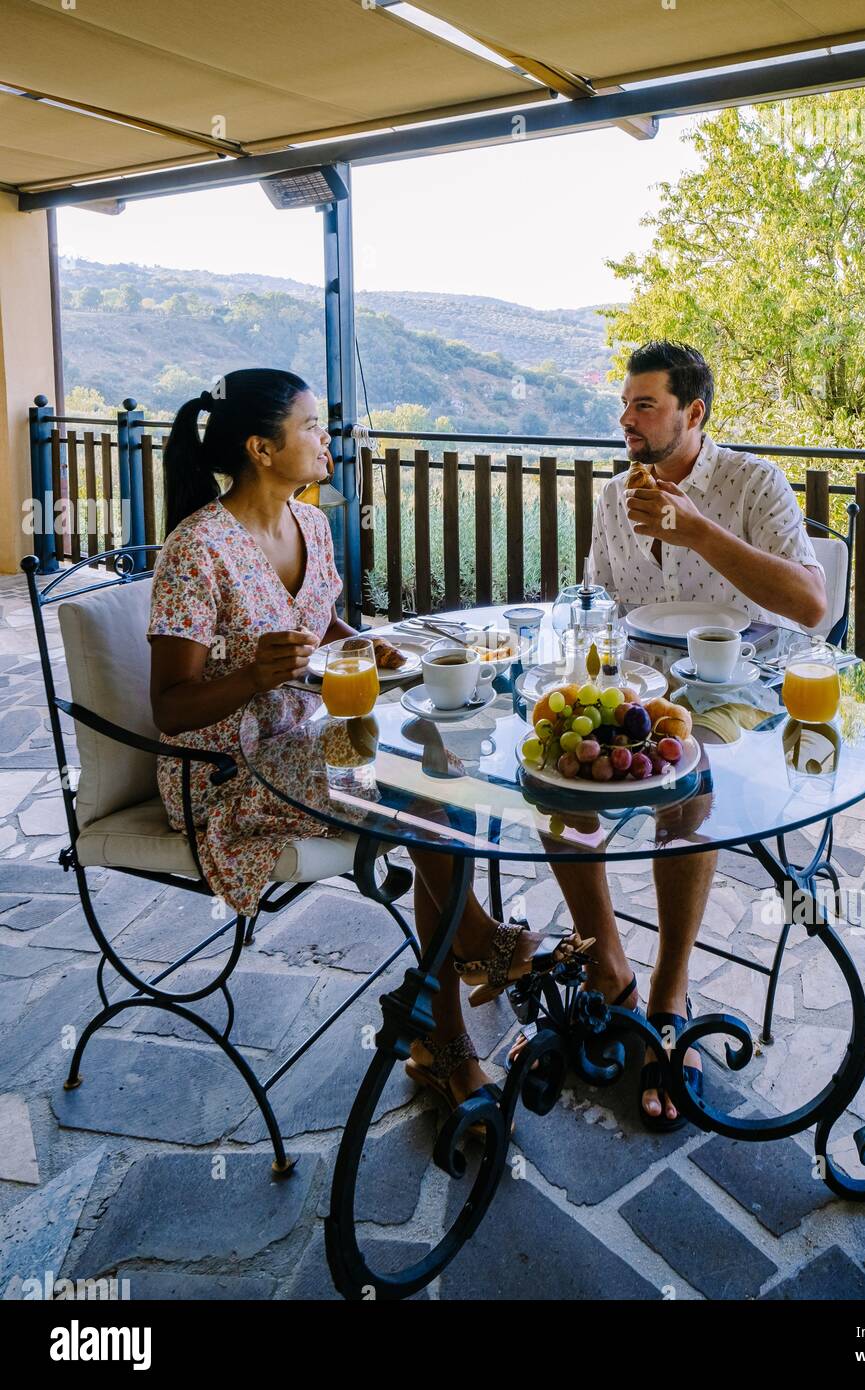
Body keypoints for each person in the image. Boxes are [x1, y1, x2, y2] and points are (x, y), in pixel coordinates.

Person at [147, 368, 581, 1122]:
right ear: (261, 447)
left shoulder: (309, 523)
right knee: (420, 784)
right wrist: (253, 674)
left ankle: (446, 1034)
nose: (327, 439)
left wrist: (368, 647)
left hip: (313, 739)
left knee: (440, 760)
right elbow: (169, 706)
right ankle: (469, 964)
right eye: (312, 426)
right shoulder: (197, 549)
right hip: (227, 772)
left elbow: (323, 627)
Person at [512, 342, 827, 1130]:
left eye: (644, 405)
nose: (626, 419)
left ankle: (669, 996)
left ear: (693, 413)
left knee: (693, 782)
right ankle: (609, 968)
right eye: (624, 405)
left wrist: (698, 532)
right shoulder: (616, 495)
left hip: (740, 692)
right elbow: (600, 604)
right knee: (558, 780)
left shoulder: (753, 483)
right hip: (641, 686)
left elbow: (811, 606)